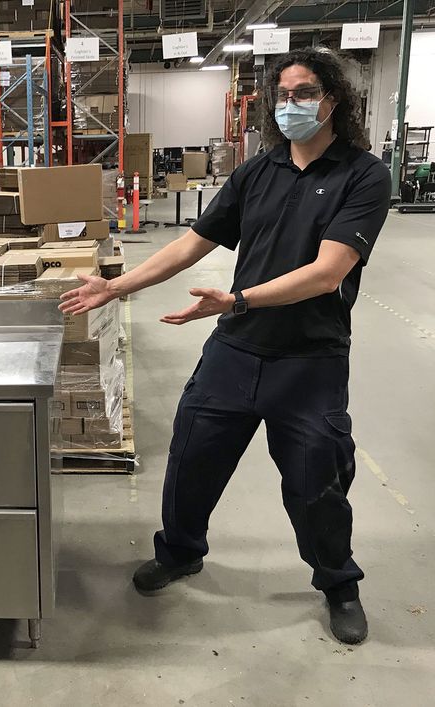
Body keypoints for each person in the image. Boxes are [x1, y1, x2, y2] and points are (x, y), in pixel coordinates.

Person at [59, 48, 391, 645]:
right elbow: (191, 244)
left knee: (316, 482)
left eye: (305, 92)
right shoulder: (256, 172)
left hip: (309, 359)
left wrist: (237, 300)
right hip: (235, 351)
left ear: (333, 99)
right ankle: (182, 551)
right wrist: (115, 286)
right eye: (283, 95)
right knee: (191, 460)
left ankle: (338, 582)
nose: (292, 104)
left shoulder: (363, 175)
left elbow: (327, 272)